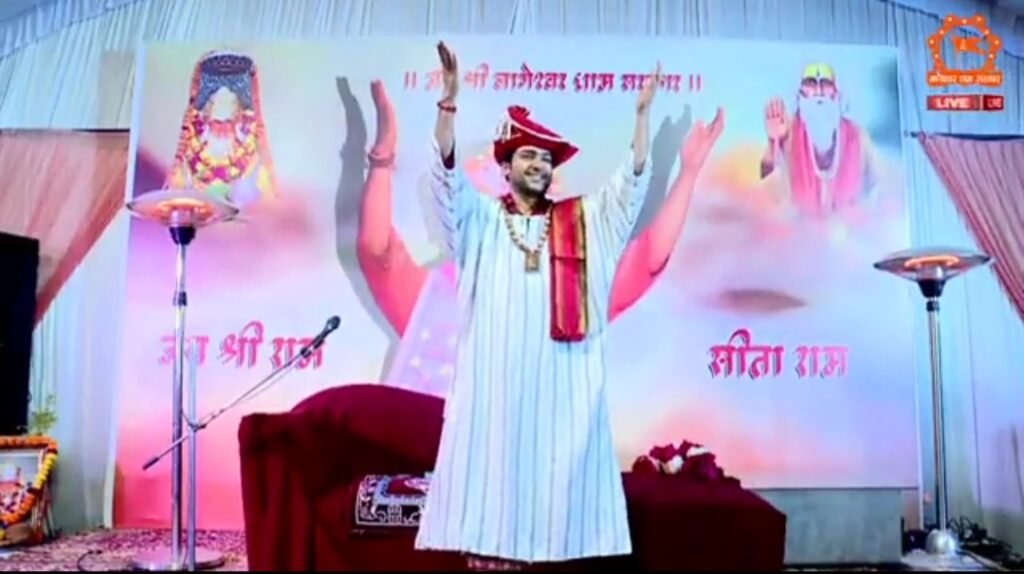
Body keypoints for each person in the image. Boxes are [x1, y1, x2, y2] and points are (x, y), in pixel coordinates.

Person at [412, 41, 661, 570]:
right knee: (491, 507)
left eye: (546, 159)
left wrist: (641, 120)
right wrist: (449, 103)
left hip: (562, 391)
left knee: (556, 523)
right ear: (505, 165)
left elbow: (629, 191)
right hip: (494, 391)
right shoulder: (479, 220)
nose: (539, 165)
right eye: (528, 155)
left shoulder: (584, 220)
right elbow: (445, 178)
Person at [357, 80, 724, 398]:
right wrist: (382, 156)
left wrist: (689, 173)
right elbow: (377, 251)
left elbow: (647, 259)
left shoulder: (567, 294)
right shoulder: (444, 295)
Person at [760, 62, 880, 217]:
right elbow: (768, 194)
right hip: (799, 229)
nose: (818, 92)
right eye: (810, 84)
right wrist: (773, 142)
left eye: (825, 84)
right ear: (799, 96)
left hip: (849, 228)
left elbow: (876, 189)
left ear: (837, 95)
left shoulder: (857, 137)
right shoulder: (788, 134)